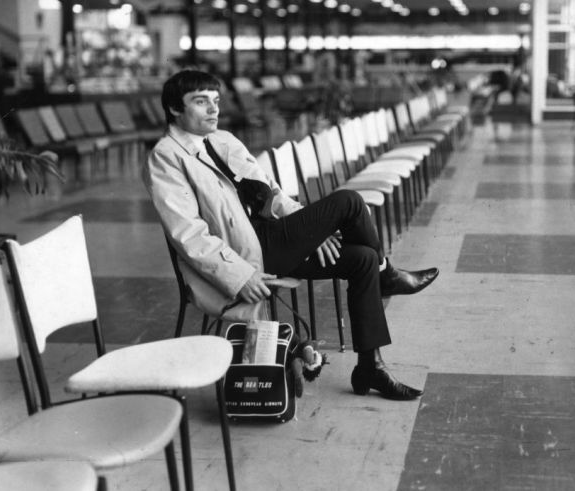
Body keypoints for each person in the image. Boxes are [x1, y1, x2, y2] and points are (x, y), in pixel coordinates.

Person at [143, 70, 438, 401]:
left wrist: (313, 232)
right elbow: (189, 234)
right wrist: (241, 275)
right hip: (246, 255)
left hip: (272, 238)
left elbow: (274, 194)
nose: (214, 109)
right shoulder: (166, 157)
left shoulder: (223, 140)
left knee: (363, 259)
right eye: (201, 102)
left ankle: (371, 366)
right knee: (349, 202)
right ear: (174, 109)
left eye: (216, 100)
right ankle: (389, 276)